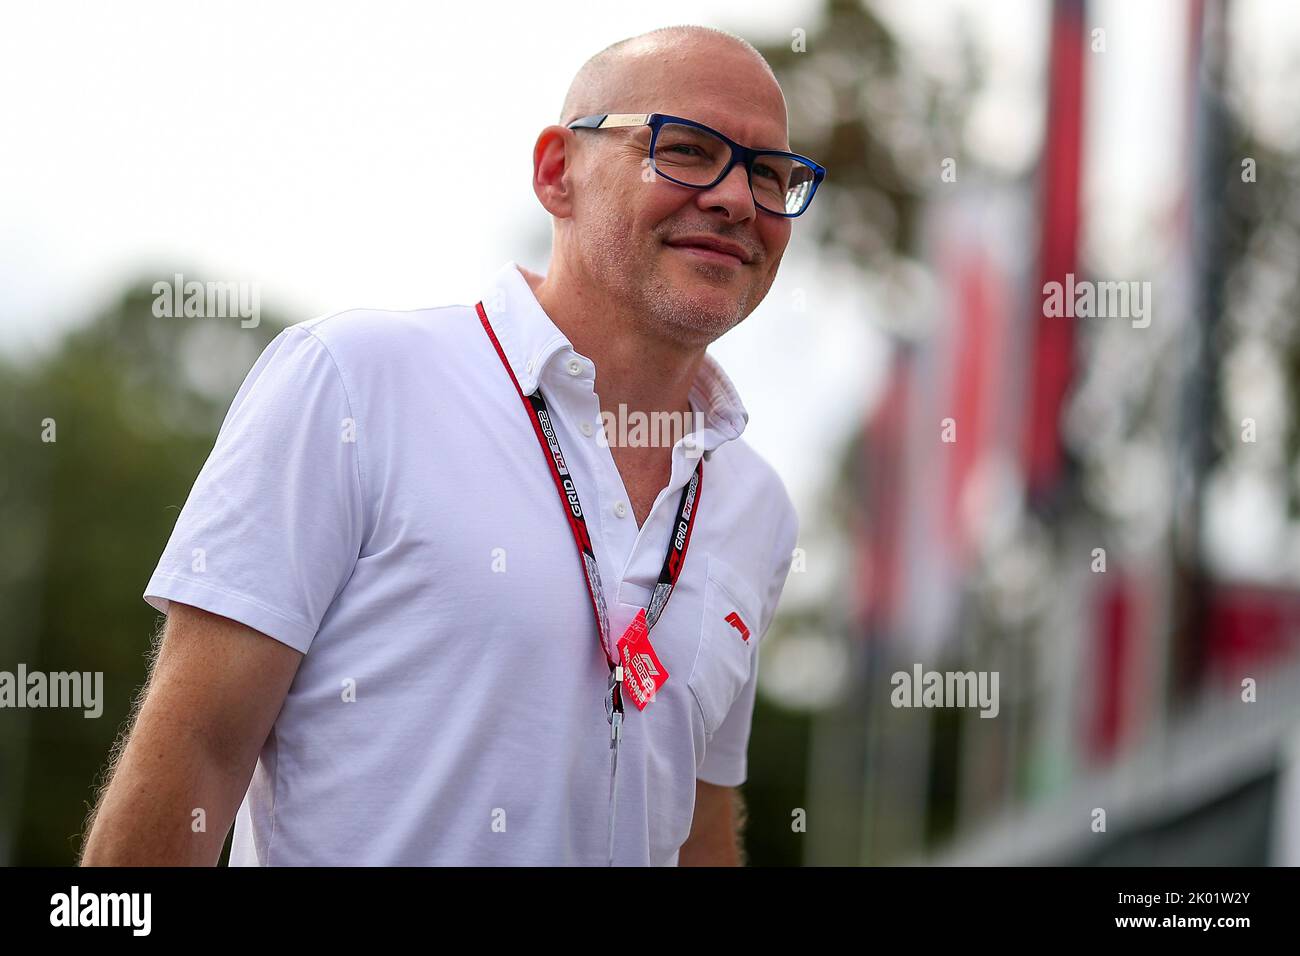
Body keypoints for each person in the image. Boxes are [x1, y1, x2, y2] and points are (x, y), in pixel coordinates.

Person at [80, 23, 823, 867]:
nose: (736, 199)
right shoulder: (353, 381)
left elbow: (700, 824)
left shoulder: (757, 505)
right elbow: (197, 757)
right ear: (557, 171)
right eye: (685, 149)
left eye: (770, 173)